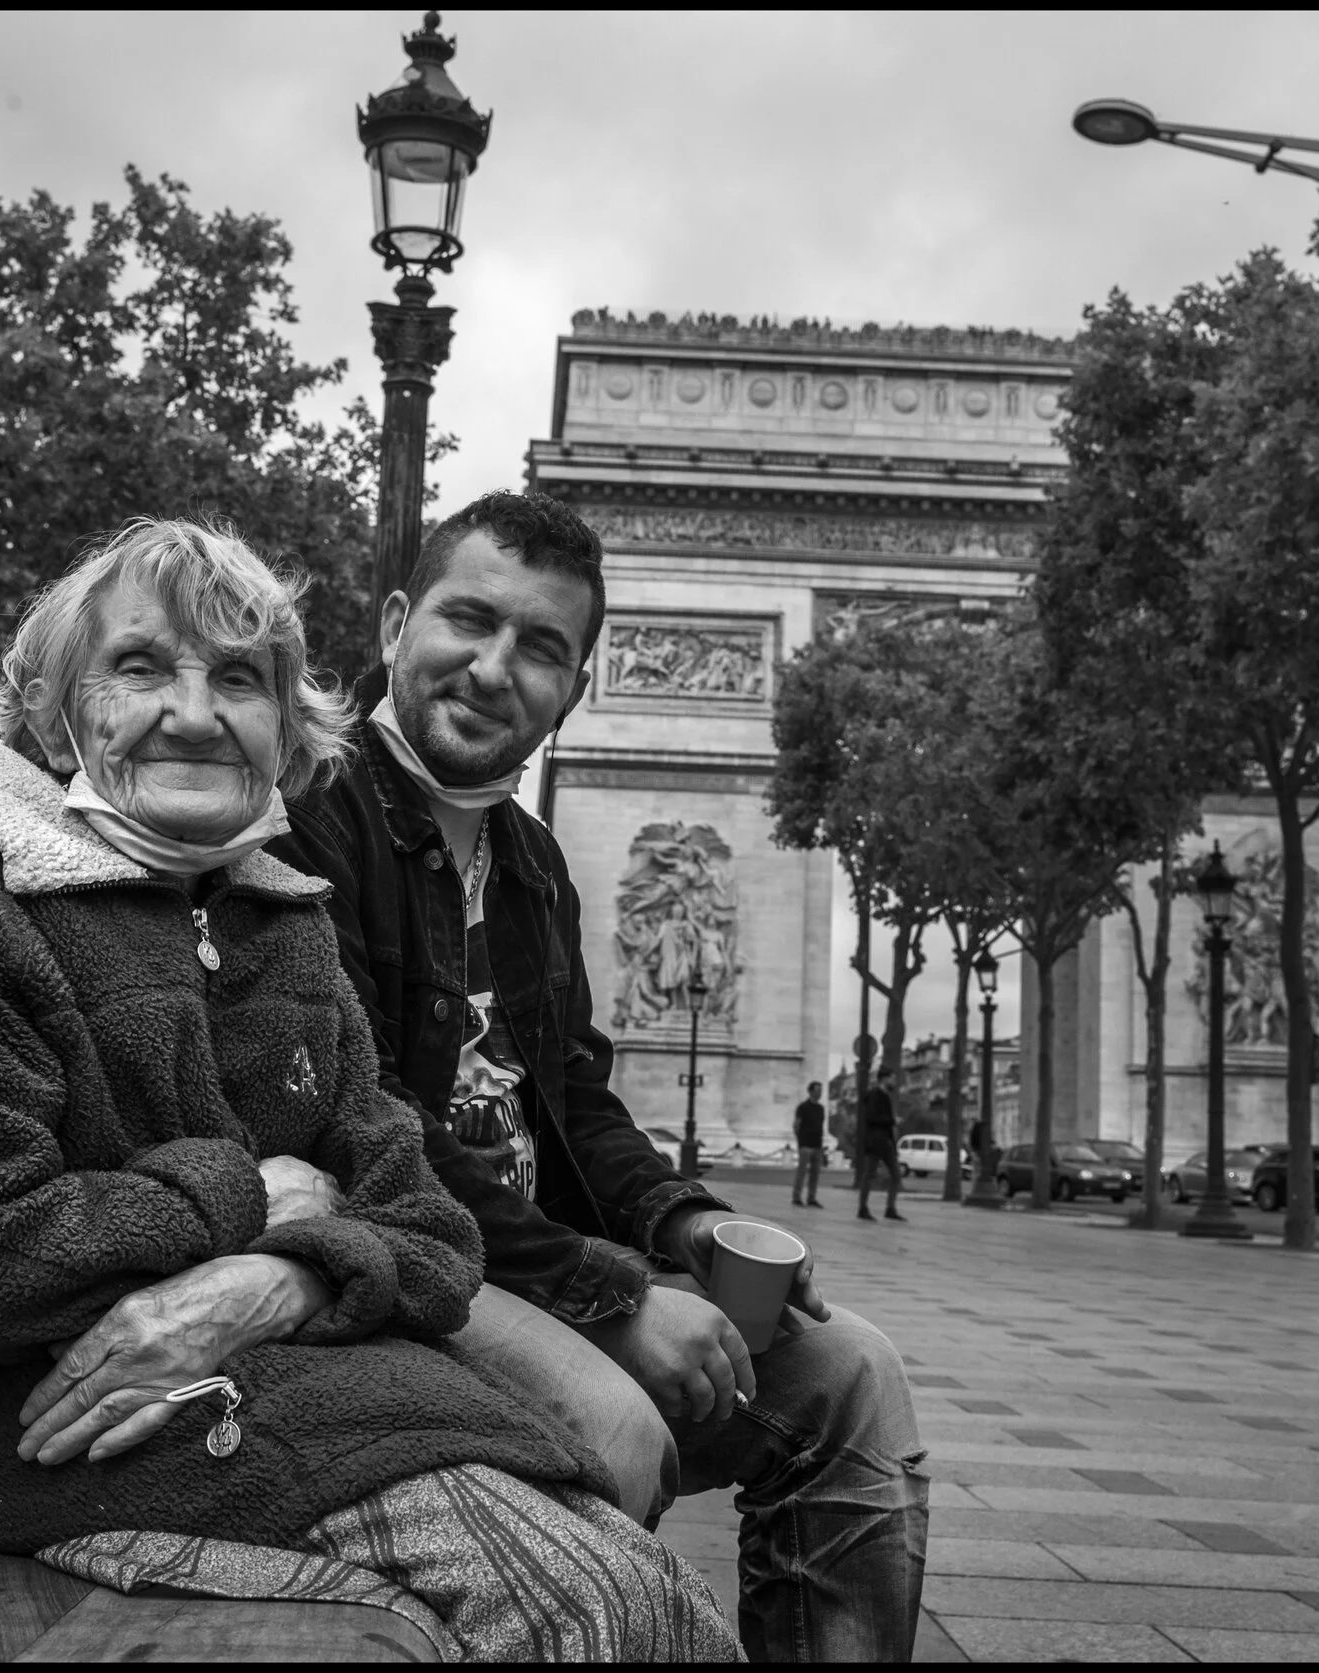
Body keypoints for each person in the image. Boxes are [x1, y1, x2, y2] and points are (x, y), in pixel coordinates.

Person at [0, 519, 735, 1660]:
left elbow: (430, 1233)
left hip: (303, 1399)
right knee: (599, 1610)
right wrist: (261, 1200)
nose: (194, 713)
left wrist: (278, 1277)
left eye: (238, 678)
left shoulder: (278, 913)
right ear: (55, 708)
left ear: (282, 729)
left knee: (660, 1602)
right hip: (57, 1449)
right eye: (140, 666)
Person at [270, 490, 926, 1663]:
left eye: (541, 647)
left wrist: (688, 1215)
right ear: (389, 623)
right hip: (416, 1265)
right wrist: (613, 1299)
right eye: (468, 619)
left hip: (534, 1259)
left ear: (577, 690)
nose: (491, 667)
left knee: (852, 1375)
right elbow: (364, 1114)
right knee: (617, 1423)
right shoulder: (312, 808)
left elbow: (571, 1095)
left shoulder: (531, 861)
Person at [856, 1065, 904, 1221]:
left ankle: (890, 1208)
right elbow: (871, 1118)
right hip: (876, 1140)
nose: (895, 1081)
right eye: (893, 1078)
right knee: (869, 1174)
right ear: (885, 1078)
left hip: (886, 1140)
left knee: (896, 1174)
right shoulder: (874, 1095)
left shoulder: (886, 1095)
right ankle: (862, 1208)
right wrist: (892, 1120)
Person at [791, 1081, 827, 1208]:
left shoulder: (821, 1108)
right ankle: (796, 1197)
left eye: (821, 1090)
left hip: (817, 1145)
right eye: (817, 1090)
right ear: (811, 1091)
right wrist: (801, 1141)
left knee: (815, 1173)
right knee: (802, 1172)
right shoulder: (803, 1107)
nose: (820, 1093)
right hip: (805, 1145)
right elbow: (796, 1125)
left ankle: (811, 1198)